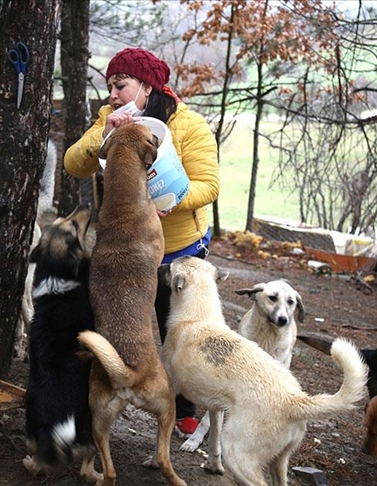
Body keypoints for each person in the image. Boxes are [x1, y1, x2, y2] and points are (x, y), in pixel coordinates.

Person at [63, 47, 220, 436]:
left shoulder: (188, 125)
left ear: (146, 87)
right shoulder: (109, 120)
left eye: (121, 85)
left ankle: (183, 406)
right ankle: (97, 395)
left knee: (175, 329)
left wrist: (171, 199)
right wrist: (103, 134)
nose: (113, 94)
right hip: (123, 248)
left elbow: (210, 185)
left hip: (177, 247)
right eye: (109, 86)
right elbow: (73, 163)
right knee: (113, 319)